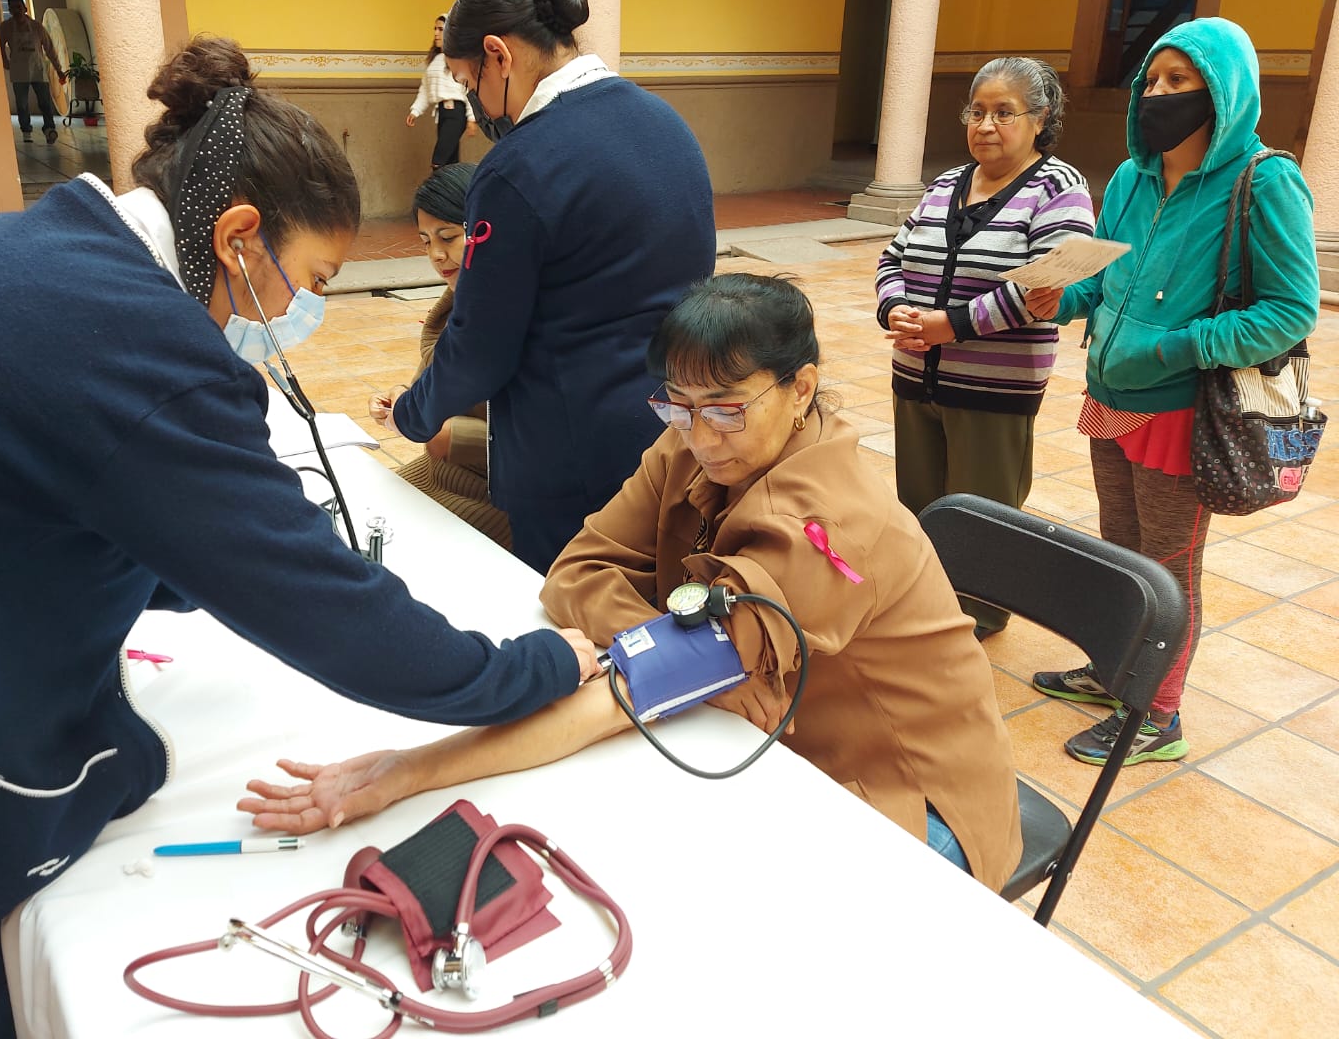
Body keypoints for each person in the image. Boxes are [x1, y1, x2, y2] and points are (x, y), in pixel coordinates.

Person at [0, 36, 600, 1038]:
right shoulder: (128, 338)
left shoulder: (45, 256)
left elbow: (43, 492)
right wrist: (535, 668)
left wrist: (207, 546)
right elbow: (331, 617)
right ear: (238, 236)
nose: (307, 311)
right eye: (312, 280)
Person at [244, 274, 1025, 892]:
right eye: (679, 406)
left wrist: (407, 771)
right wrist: (681, 648)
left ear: (801, 388)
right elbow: (575, 571)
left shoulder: (827, 526)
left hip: (904, 799)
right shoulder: (691, 441)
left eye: (726, 408)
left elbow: (628, 689)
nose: (701, 435)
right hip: (775, 745)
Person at [1026, 18, 1319, 766]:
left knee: (1168, 565)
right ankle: (1113, 670)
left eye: (1179, 81)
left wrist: (1177, 346)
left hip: (1184, 411)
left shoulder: (1265, 181)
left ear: (1222, 92)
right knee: (1120, 550)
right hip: (1110, 395)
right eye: (1151, 80)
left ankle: (1157, 713)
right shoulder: (1132, 177)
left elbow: (1290, 311)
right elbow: (1102, 277)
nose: (1158, 93)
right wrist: (1059, 297)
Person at [382, 0, 717, 572]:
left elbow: (480, 346)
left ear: (498, 55)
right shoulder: (666, 123)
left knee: (576, 609)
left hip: (569, 457)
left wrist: (412, 412)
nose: (477, 105)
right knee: (650, 595)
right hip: (674, 427)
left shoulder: (519, 166)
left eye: (468, 81)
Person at [874, 57, 1095, 638]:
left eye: (1004, 113)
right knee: (921, 502)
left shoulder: (1058, 188)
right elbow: (893, 257)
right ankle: (925, 605)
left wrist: (950, 326)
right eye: (976, 112)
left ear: (1040, 119)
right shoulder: (946, 184)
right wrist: (894, 307)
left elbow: (1044, 285)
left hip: (994, 385)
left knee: (984, 509)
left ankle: (977, 616)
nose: (986, 125)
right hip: (915, 374)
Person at [369, 162, 511, 547]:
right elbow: (432, 383)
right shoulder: (453, 308)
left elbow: (547, 438)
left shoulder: (515, 315)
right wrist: (403, 396)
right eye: (425, 241)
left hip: (493, 498)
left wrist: (456, 438)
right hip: (438, 474)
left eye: (447, 237)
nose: (435, 254)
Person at [406, 12, 477, 170]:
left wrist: (471, 118)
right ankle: (454, 187)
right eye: (435, 29)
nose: (436, 33)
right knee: (450, 163)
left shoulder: (458, 59)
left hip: (456, 114)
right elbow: (425, 89)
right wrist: (415, 111)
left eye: (440, 29)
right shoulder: (434, 60)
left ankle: (437, 186)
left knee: (438, 161)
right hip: (442, 113)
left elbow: (468, 89)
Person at [0, 0, 66, 144]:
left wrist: (59, 69)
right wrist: (4, 61)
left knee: (45, 102)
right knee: (22, 104)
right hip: (18, 70)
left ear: (25, 8)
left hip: (37, 69)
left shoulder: (37, 27)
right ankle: (26, 131)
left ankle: (49, 129)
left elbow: (49, 49)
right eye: (12, 8)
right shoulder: (5, 27)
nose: (16, 11)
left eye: (18, 7)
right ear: (9, 10)